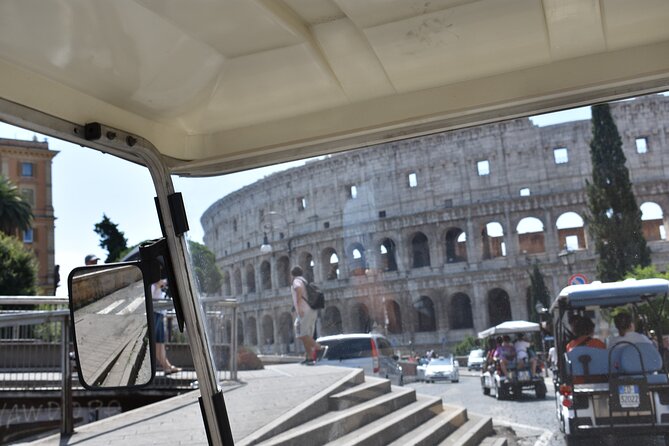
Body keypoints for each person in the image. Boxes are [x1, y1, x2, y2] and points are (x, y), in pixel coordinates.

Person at [291, 266, 320, 364]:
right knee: (306, 335)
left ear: (292, 274)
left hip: (304, 310)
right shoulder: (305, 281)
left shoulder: (296, 281)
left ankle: (319, 347)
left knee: (300, 333)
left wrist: (298, 307)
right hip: (312, 310)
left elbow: (298, 289)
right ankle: (310, 357)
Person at [152, 278, 181, 374]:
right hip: (155, 314)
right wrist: (157, 285)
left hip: (159, 314)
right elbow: (149, 297)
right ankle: (166, 366)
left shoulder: (158, 286)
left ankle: (166, 366)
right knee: (156, 343)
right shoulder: (152, 285)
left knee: (160, 343)